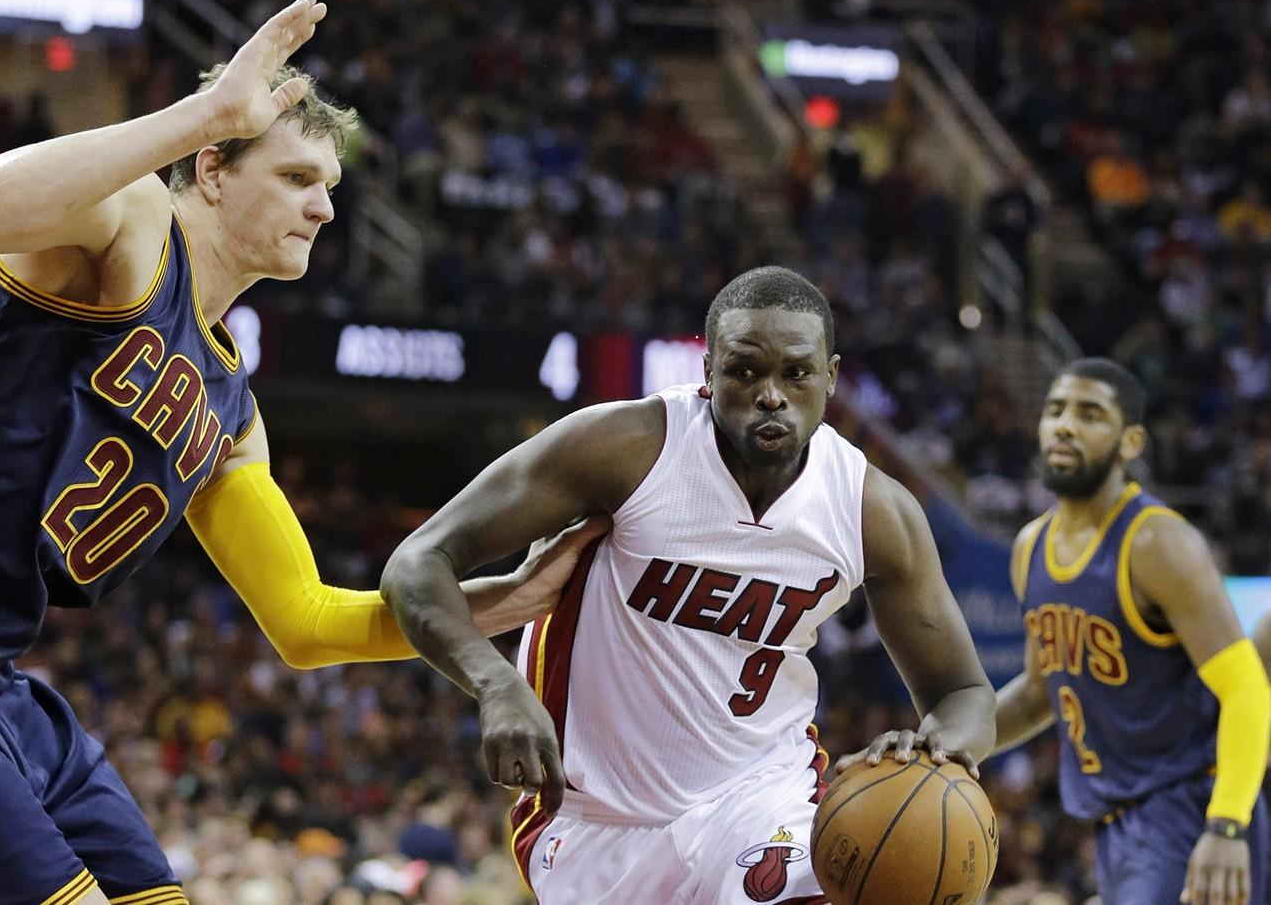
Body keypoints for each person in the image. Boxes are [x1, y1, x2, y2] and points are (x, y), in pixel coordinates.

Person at [0, 0, 606, 905]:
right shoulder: (135, 225)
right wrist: (206, 113)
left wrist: (507, 599)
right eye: (297, 177)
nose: (324, 208)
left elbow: (306, 622)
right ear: (213, 170)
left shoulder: (231, 412)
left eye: (329, 187)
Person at [381, 267, 997, 903]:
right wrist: (496, 686)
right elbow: (416, 564)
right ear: (709, 372)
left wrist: (936, 746)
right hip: (596, 821)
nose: (771, 395)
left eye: (796, 373)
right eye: (745, 371)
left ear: (831, 377)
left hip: (762, 800)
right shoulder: (627, 448)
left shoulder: (871, 509)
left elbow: (964, 693)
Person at [993, 358, 1271, 905]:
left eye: (1090, 414)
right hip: (1116, 826)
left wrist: (1227, 826)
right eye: (1055, 410)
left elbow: (1245, 688)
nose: (1065, 425)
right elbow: (1036, 694)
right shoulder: (1030, 547)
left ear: (1131, 441)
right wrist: (945, 741)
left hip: (1190, 808)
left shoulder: (1156, 542)